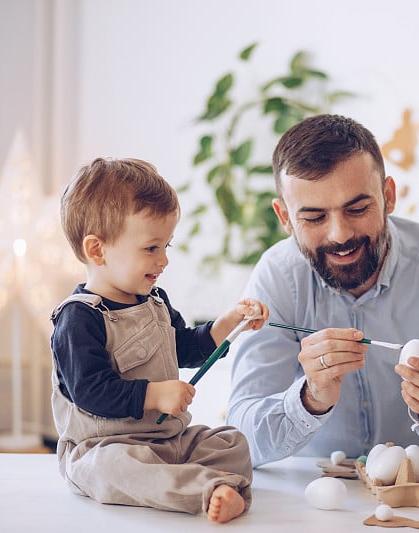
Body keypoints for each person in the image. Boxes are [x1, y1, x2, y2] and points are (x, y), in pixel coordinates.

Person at [226, 114, 419, 476]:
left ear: (388, 196)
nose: (339, 235)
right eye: (314, 217)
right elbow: (240, 438)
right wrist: (309, 400)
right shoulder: (277, 278)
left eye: (357, 209)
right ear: (284, 217)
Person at [51, 157, 268, 523]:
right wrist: (154, 394)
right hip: (105, 447)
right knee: (113, 470)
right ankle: (210, 489)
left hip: (169, 441)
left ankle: (209, 482)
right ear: (97, 250)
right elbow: (90, 391)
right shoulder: (79, 318)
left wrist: (227, 325)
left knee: (233, 443)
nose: (164, 259)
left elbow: (184, 346)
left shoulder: (155, 301)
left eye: (167, 245)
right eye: (152, 248)